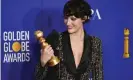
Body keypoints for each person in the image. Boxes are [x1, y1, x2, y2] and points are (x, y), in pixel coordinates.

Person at [35, 0, 104, 80]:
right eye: (66, 18)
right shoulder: (55, 39)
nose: (68, 23)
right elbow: (38, 77)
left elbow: (99, 76)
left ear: (84, 18)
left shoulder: (95, 43)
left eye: (73, 19)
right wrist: (42, 62)